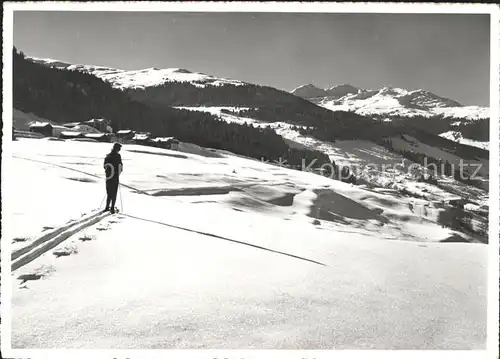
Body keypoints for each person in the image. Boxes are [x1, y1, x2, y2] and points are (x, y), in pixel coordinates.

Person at [103, 142, 123, 213]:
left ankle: (106, 207)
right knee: (114, 193)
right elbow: (120, 166)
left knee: (109, 192)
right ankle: (112, 208)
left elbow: (105, 166)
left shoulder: (108, 156)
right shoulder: (118, 156)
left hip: (108, 177)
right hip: (115, 177)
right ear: (117, 149)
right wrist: (118, 173)